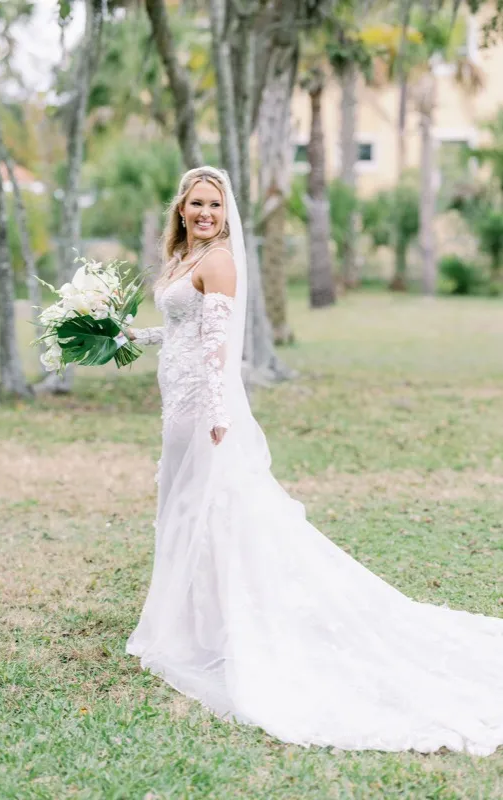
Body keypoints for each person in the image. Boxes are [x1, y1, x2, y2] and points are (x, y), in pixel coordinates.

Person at [125, 166, 503, 757]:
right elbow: (182, 328)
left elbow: (219, 347)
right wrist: (130, 337)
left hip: (203, 408)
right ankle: (197, 622)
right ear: (181, 209)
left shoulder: (218, 260)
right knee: (182, 509)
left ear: (226, 213)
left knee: (213, 512)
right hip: (177, 403)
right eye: (196, 204)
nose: (205, 213)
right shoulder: (184, 259)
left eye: (215, 205)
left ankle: (225, 627)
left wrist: (219, 413)